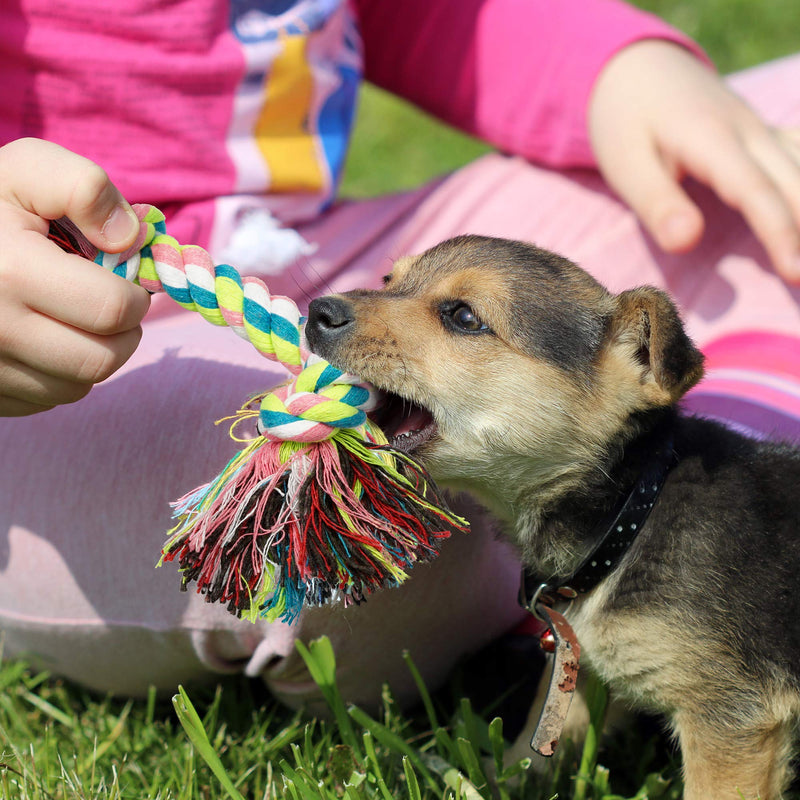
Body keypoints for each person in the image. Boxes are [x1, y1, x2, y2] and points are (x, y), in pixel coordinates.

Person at [0, 0, 799, 717]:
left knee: (763, 153)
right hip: (58, 360)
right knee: (355, 504)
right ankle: (632, 574)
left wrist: (612, 68)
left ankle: (737, 527)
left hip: (305, 246)